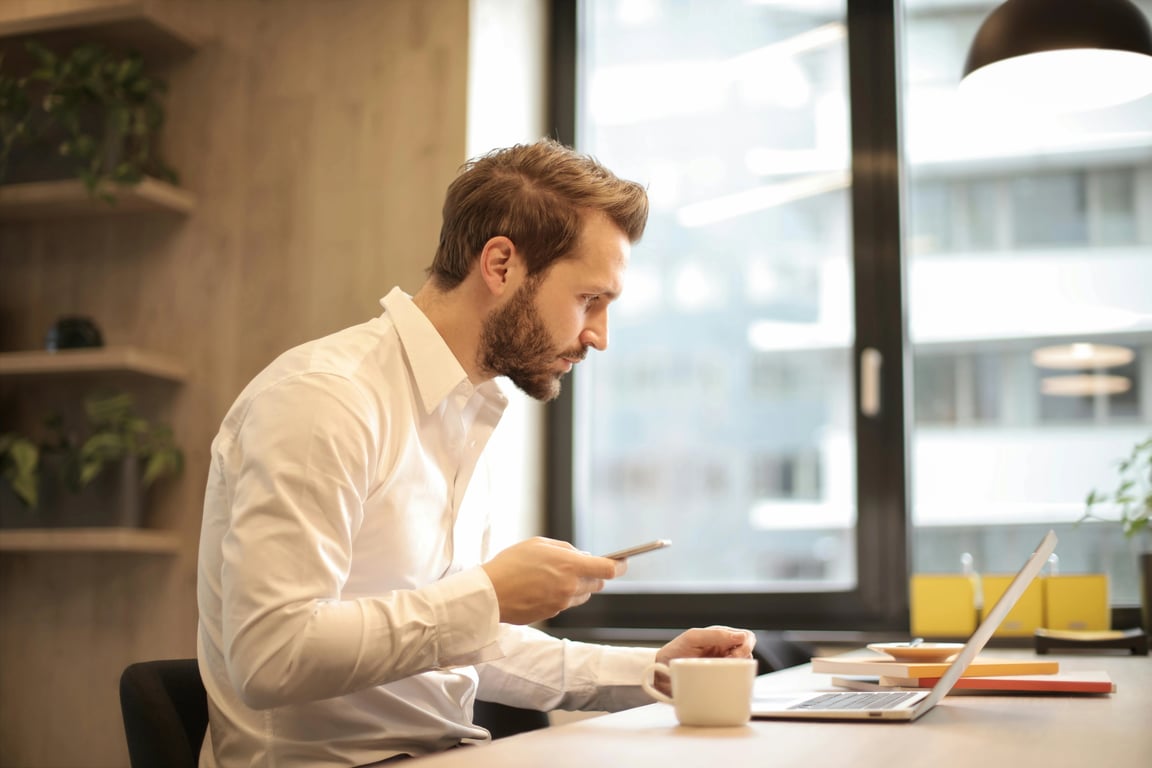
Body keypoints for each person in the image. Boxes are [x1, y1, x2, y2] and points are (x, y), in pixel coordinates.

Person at [196, 138, 756, 767]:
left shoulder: (466, 412)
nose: (599, 336)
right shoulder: (325, 400)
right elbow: (271, 656)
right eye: (588, 300)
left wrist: (650, 671)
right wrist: (486, 594)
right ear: (500, 265)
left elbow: (451, 642)